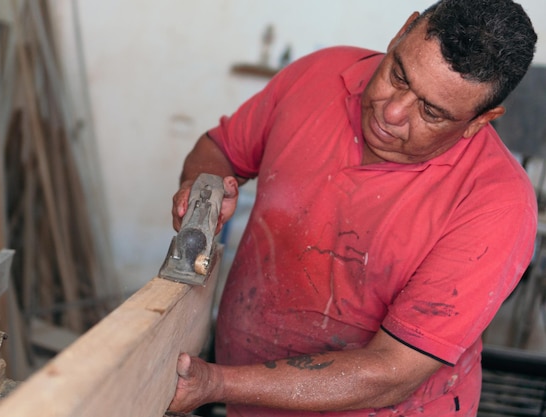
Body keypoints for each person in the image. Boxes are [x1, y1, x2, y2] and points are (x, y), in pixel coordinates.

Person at [167, 0, 538, 415]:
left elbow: (389, 373)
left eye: (431, 112)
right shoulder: (320, 75)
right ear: (402, 31)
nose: (392, 111)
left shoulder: (496, 205)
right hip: (245, 399)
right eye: (398, 74)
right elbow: (219, 150)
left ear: (479, 120)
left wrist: (214, 383)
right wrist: (207, 189)